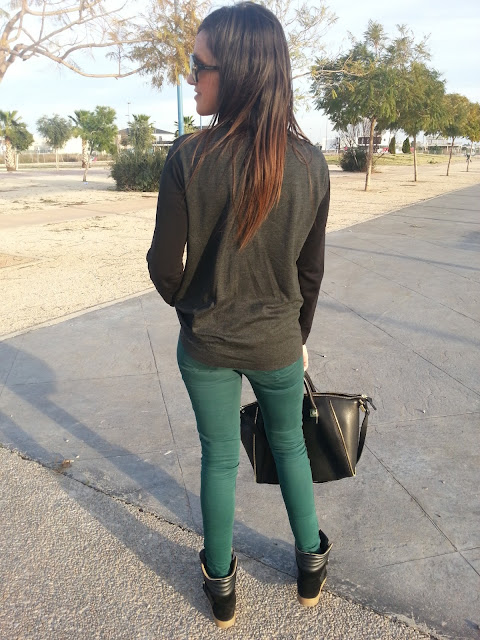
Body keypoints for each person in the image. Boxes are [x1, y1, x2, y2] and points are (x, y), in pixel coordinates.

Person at [147, 2, 331, 629]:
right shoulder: (310, 163)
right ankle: (310, 567)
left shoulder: (188, 158)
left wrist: (195, 304)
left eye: (199, 65)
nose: (190, 76)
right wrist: (297, 335)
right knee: (291, 446)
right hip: (278, 342)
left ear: (240, 70)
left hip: (206, 344)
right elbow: (310, 272)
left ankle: (222, 586)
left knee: (219, 457)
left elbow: (164, 267)